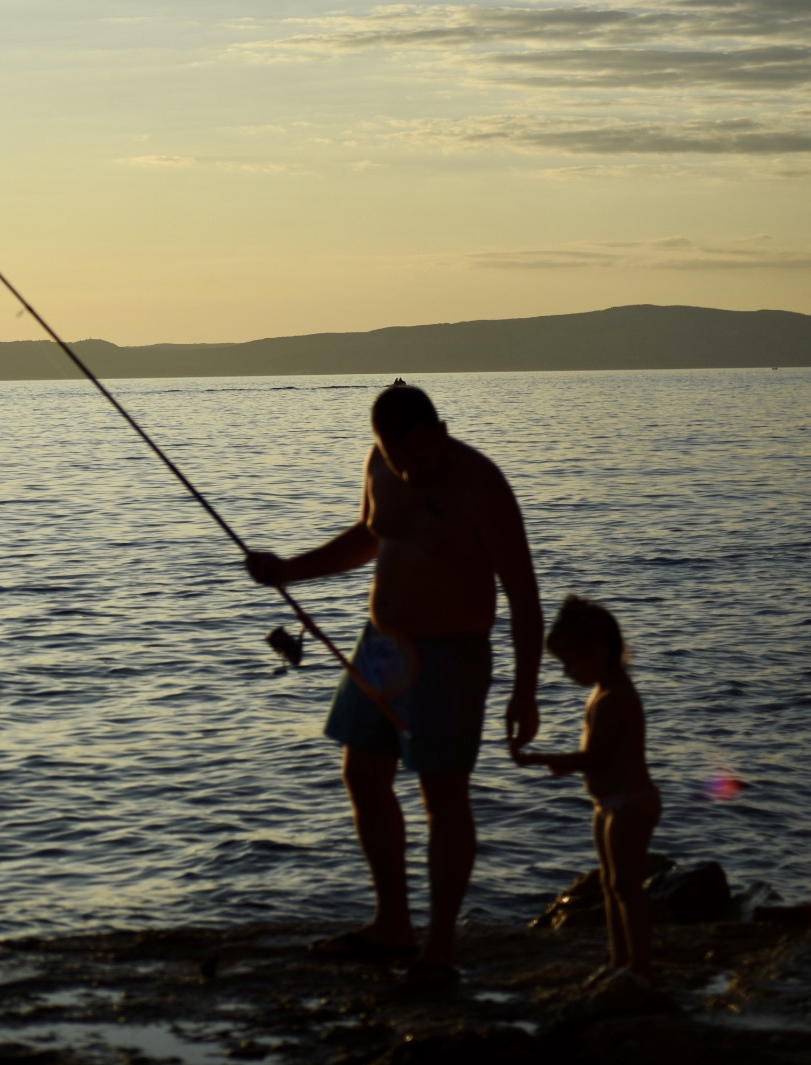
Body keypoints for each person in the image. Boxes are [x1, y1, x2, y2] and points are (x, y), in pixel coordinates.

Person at [244, 384, 541, 989]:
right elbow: (371, 535)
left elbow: (525, 596)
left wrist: (525, 690)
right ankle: (392, 925)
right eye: (397, 459)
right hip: (383, 647)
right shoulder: (383, 464)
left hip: (450, 655)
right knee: (363, 774)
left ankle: (440, 951)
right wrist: (288, 570)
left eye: (421, 460)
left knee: (443, 798)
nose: (412, 472)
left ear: (441, 429)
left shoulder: (482, 485)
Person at [515, 596, 661, 987]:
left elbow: (596, 758)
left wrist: (538, 758)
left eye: (571, 663)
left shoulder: (615, 698)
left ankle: (641, 966)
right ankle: (620, 961)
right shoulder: (603, 691)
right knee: (612, 887)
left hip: (631, 804)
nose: (566, 672)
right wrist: (567, 764)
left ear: (598, 652)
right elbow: (602, 758)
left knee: (627, 888)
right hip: (608, 804)